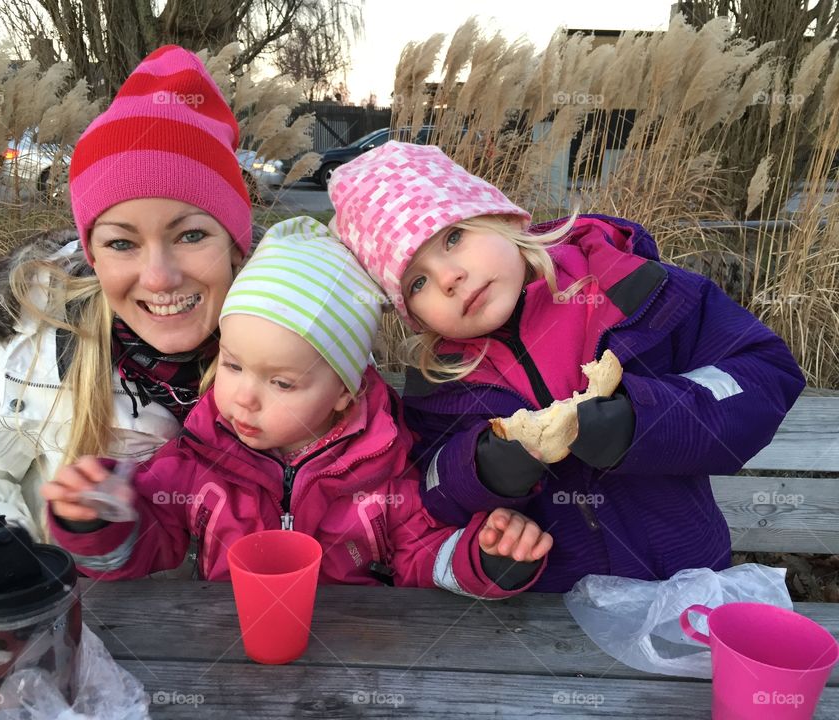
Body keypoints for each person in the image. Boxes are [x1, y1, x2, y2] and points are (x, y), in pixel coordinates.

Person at [327, 141, 807, 592]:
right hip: (549, 615)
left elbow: (763, 373)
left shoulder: (634, 290)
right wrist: (480, 471)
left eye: (453, 237)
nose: (449, 278)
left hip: (686, 585)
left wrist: (644, 420)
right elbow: (430, 492)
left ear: (498, 216)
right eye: (417, 282)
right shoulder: (439, 385)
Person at [42, 218, 552, 596]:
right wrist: (98, 516)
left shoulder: (385, 478)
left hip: (353, 660)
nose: (243, 396)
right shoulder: (197, 465)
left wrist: (487, 559)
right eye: (234, 366)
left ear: (343, 396)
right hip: (226, 655)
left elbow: (424, 556)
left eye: (282, 383)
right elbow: (136, 550)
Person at [0, 45, 253, 572]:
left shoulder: (296, 335)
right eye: (121, 243)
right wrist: (9, 565)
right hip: (81, 630)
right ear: (90, 252)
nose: (159, 277)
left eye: (191, 234)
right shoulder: (27, 338)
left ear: (237, 242)